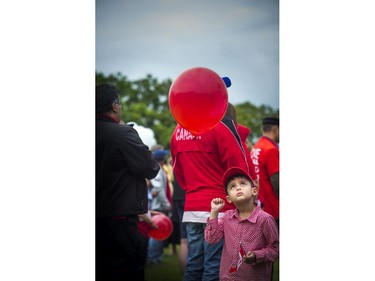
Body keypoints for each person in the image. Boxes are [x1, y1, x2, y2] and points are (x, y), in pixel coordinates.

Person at [170, 102, 250, 281]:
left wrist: (192, 190)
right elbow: (239, 168)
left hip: (192, 206)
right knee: (213, 267)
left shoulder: (178, 131)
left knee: (193, 265)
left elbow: (178, 171)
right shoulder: (219, 127)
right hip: (219, 208)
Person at [96, 83, 160, 281]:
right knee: (124, 271)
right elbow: (151, 168)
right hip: (119, 218)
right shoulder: (122, 134)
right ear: (115, 106)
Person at [205, 166, 279, 281]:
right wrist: (214, 212)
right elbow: (212, 239)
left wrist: (256, 256)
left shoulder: (265, 219)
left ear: (254, 191)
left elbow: (275, 249)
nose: (238, 187)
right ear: (229, 198)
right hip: (227, 277)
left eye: (243, 184)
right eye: (232, 186)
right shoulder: (227, 217)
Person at [250, 117, 279, 222]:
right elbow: (277, 183)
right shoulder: (271, 149)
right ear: (276, 128)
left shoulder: (257, 146)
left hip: (259, 205)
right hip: (273, 208)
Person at [147, 148, 172, 265]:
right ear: (162, 159)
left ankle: (155, 256)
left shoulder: (157, 169)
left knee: (157, 231)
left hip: (157, 205)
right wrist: (167, 205)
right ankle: (152, 257)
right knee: (156, 231)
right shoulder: (158, 170)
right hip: (158, 206)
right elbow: (159, 189)